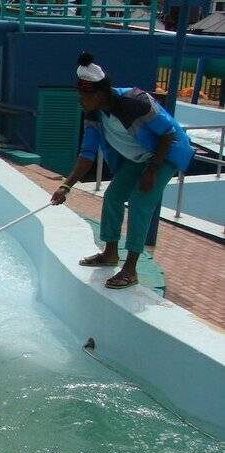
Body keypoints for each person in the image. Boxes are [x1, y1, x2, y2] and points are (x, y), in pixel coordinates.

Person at [51, 52, 193, 289]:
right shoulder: (93, 113)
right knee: (113, 197)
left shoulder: (136, 102)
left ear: (98, 95)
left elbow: (168, 134)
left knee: (140, 202)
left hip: (163, 155)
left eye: (83, 96)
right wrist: (66, 186)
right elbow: (87, 154)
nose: (80, 101)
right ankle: (110, 254)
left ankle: (130, 269)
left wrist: (152, 171)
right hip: (137, 157)